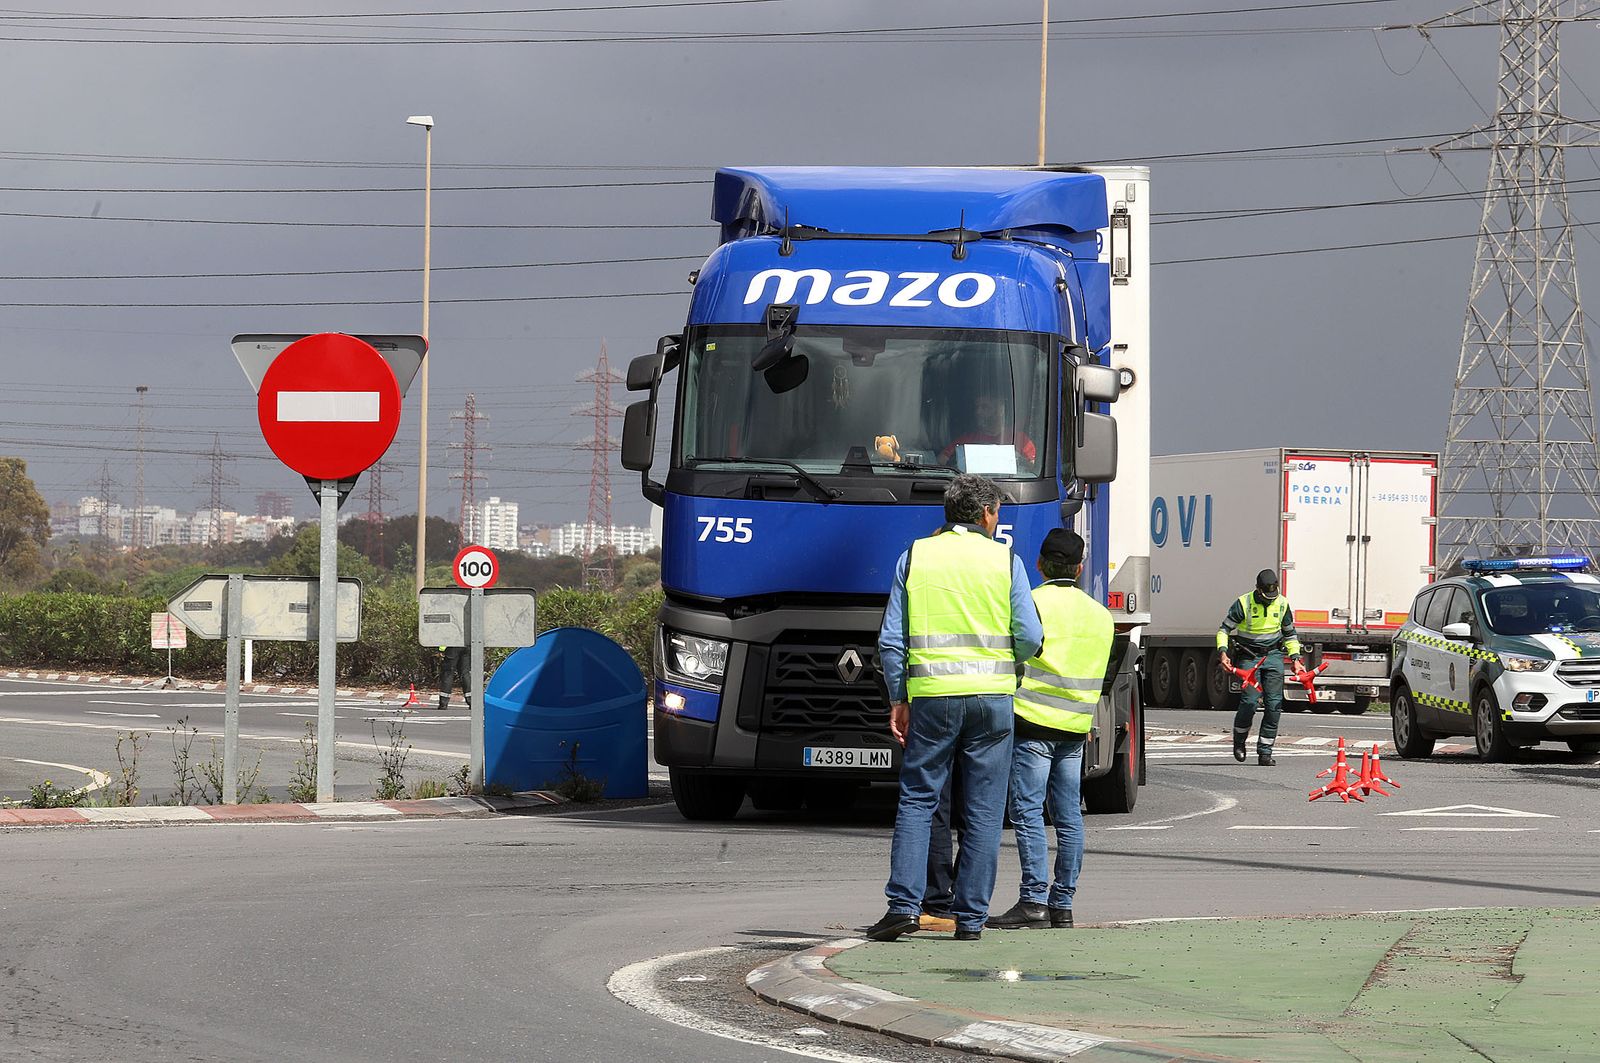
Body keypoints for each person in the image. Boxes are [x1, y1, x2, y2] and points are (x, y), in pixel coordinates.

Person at [865, 474, 1043, 943]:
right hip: (992, 702)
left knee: (919, 799)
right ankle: (971, 919)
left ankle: (904, 906)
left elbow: (890, 640)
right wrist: (1007, 663)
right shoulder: (1007, 561)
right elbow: (1029, 636)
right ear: (985, 514)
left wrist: (898, 698)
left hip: (932, 698)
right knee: (984, 811)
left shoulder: (915, 556)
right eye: (997, 512)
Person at [987, 529, 1113, 931]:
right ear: (1079, 568)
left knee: (1027, 813)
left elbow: (1016, 649)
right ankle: (1062, 903)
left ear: (1039, 564)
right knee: (1069, 816)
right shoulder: (1101, 615)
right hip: (1075, 728)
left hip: (1032, 724)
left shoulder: (1032, 602)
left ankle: (1033, 900)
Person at [1217, 569, 1301, 766]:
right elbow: (1224, 630)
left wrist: (1296, 658)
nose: (1271, 599)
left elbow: (1290, 634)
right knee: (1250, 702)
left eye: (1273, 594)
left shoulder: (1281, 603)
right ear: (1257, 590)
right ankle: (1239, 741)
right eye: (1266, 596)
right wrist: (1223, 652)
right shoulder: (1243, 603)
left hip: (1273, 657)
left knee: (1274, 705)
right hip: (1249, 657)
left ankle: (1265, 751)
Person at [938, 392, 1037, 468]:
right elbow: (942, 460)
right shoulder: (967, 439)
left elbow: (1033, 464)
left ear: (1000, 409)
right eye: (977, 407)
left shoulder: (1019, 439)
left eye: (984, 407)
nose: (978, 412)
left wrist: (1018, 461)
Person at [438, 644, 471, 711]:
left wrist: (441, 649)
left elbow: (446, 636)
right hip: (466, 646)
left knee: (448, 673)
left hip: (452, 646)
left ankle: (443, 703)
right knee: (465, 674)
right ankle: (471, 701)